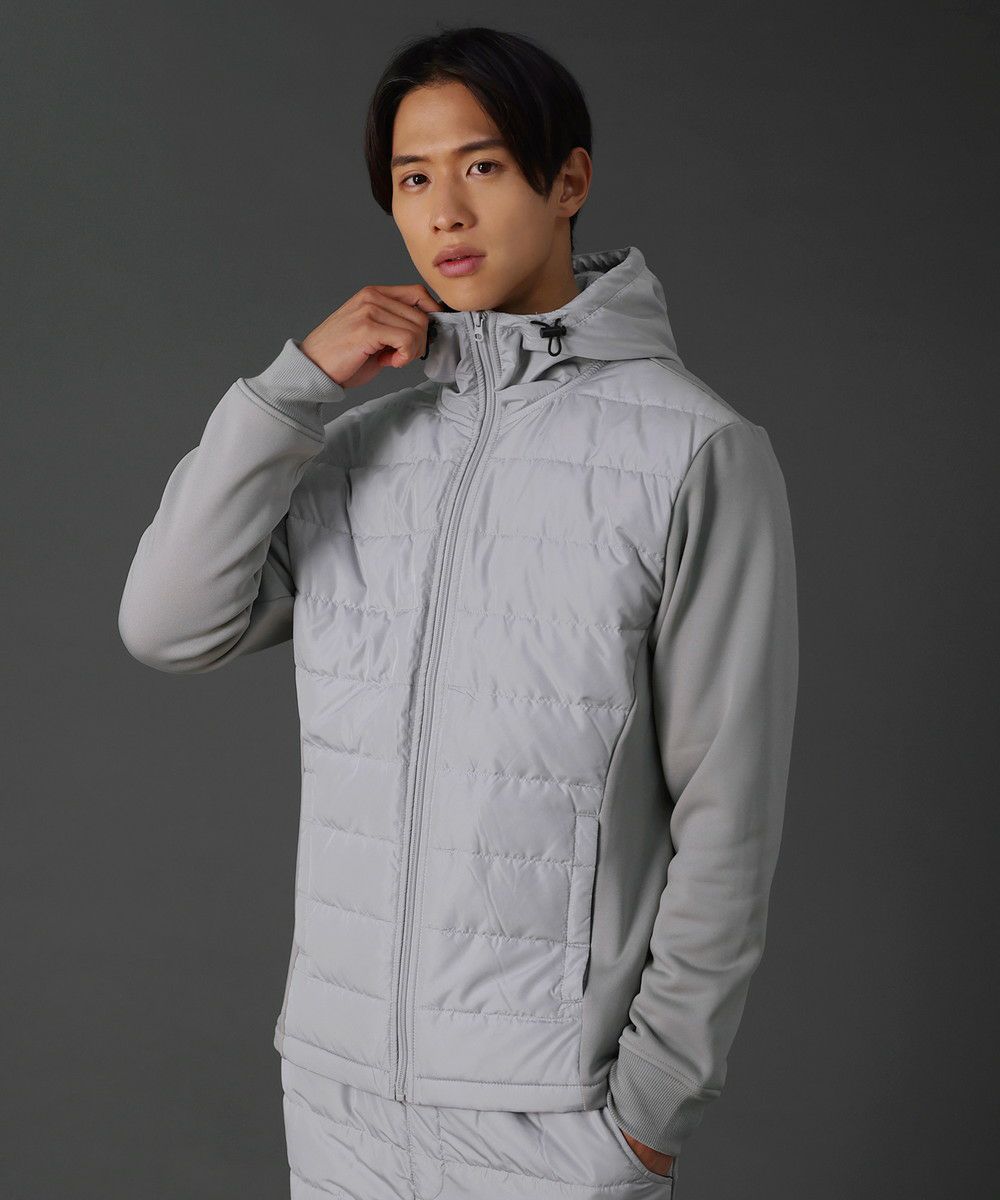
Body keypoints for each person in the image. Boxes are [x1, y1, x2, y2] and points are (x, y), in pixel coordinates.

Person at [118, 24, 799, 1200]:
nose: (444, 212)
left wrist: (650, 1110)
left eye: (480, 165)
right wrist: (290, 393)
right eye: (411, 179)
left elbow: (727, 810)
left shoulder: (696, 453)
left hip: (553, 1114)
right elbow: (167, 624)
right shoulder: (355, 450)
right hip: (339, 1097)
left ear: (567, 179)